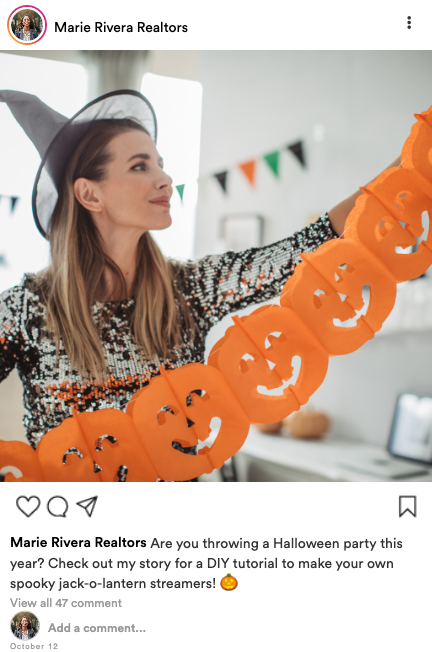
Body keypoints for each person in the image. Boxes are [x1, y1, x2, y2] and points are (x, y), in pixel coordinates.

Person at [0, 90, 400, 479]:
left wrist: (408, 171)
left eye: (160, 164)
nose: (165, 178)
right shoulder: (25, 309)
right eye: (140, 167)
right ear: (90, 194)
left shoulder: (189, 288)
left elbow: (309, 245)